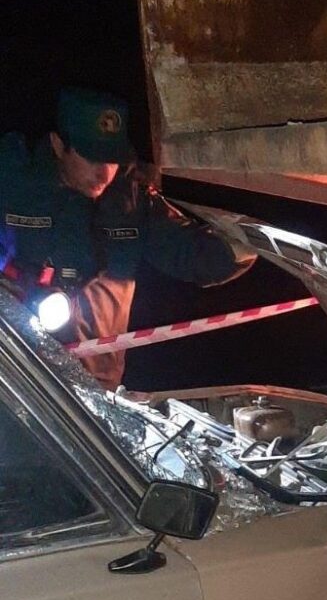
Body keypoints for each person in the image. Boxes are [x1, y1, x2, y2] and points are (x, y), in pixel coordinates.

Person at [0, 87, 254, 388]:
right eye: (91, 157)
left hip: (94, 382)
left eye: (112, 159)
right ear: (58, 144)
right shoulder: (13, 182)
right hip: (15, 374)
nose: (104, 173)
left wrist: (244, 246)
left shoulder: (132, 200)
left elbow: (185, 251)